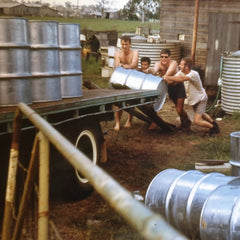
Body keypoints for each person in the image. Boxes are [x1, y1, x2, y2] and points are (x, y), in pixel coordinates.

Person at [163, 57, 220, 135]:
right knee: (201, 114)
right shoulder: (181, 72)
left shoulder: (193, 74)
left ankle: (213, 128)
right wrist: (165, 80)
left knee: (196, 120)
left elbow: (181, 79)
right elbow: (174, 79)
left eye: (181, 65)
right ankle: (213, 123)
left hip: (200, 99)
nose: (179, 66)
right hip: (194, 100)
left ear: (186, 67)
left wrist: (167, 77)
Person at [151, 48, 191, 130]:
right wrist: (150, 71)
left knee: (179, 109)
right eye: (162, 57)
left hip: (178, 87)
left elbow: (167, 74)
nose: (163, 59)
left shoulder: (174, 63)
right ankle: (184, 122)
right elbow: (154, 71)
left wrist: (162, 76)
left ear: (170, 57)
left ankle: (187, 121)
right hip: (170, 88)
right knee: (177, 108)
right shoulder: (158, 64)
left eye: (166, 57)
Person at [113, 35, 139, 131]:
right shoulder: (117, 53)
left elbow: (135, 64)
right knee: (118, 101)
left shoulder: (135, 52)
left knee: (131, 101)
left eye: (126, 44)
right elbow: (117, 65)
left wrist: (126, 66)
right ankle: (118, 122)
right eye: (123, 44)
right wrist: (121, 65)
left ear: (130, 44)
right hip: (121, 78)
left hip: (133, 78)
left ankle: (129, 121)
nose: (124, 46)